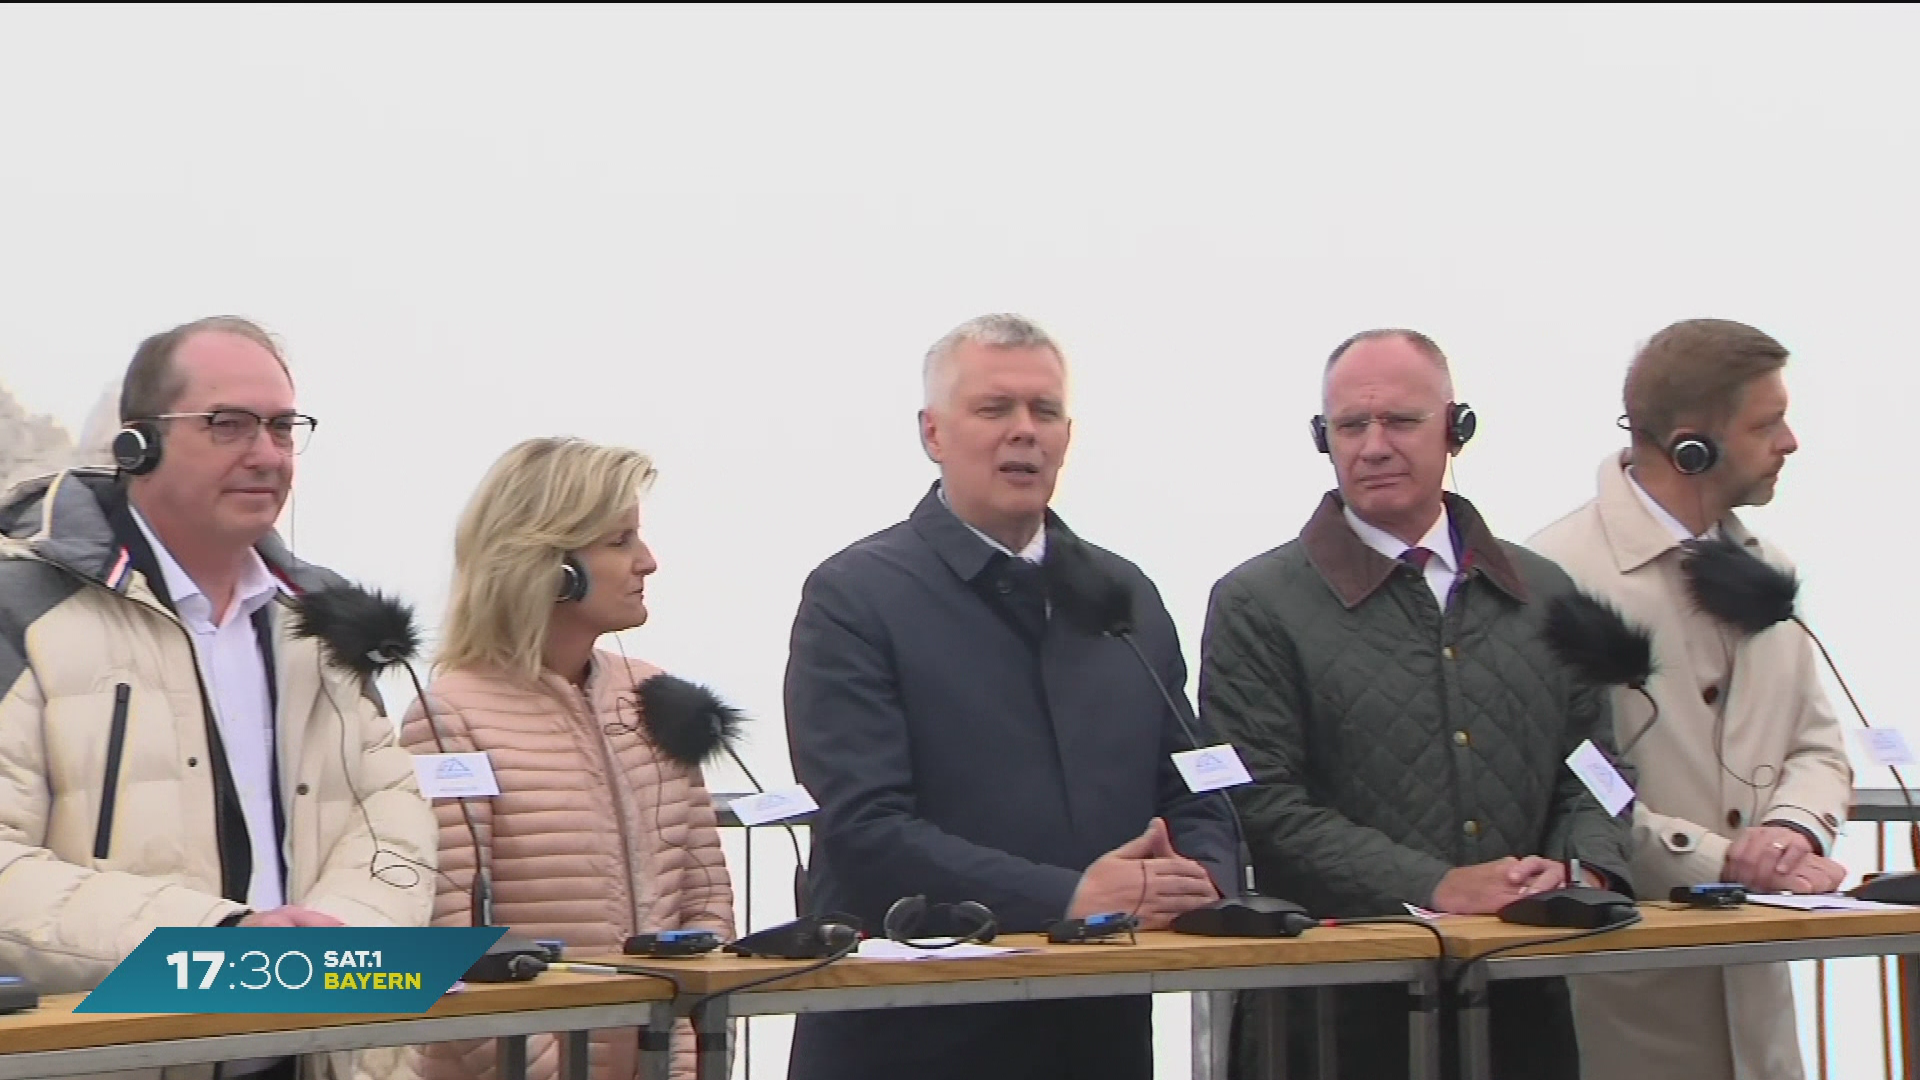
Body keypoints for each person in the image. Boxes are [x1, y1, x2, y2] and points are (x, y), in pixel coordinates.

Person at [784, 313, 1236, 1080]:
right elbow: (865, 828)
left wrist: (1205, 878)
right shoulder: (854, 598)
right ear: (933, 432)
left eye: (1045, 411)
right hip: (915, 1036)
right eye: (995, 410)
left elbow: (1192, 779)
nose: (1024, 432)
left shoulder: (1123, 594)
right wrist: (1071, 895)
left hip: (1097, 1029)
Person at [0, 317, 437, 1080]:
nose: (265, 454)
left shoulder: (322, 614)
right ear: (138, 444)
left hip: (319, 1053)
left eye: (281, 427)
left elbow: (392, 820)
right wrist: (226, 943)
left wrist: (331, 944)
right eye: (228, 425)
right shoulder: (22, 607)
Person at [1198, 328, 1634, 1080]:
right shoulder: (1256, 603)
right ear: (1322, 440)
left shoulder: (1547, 592)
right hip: (1329, 1017)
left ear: (1455, 429)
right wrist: (1435, 886)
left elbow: (1601, 767)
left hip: (1519, 1000)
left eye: (1399, 422)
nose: (1372, 446)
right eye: (1349, 426)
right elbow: (1258, 802)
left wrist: (1580, 872)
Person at [1529, 319, 1851, 1080]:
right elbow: (1561, 786)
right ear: (1690, 447)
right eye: (1767, 424)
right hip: (1626, 1005)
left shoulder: (1769, 569)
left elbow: (1816, 743)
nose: (1791, 442)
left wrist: (1790, 834)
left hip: (1761, 1014)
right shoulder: (1553, 576)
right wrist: (1719, 860)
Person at [401, 437, 734, 1080]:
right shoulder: (450, 717)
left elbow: (706, 913)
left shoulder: (655, 696)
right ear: (550, 566)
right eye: (619, 542)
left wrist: (684, 1066)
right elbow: (451, 942)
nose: (648, 562)